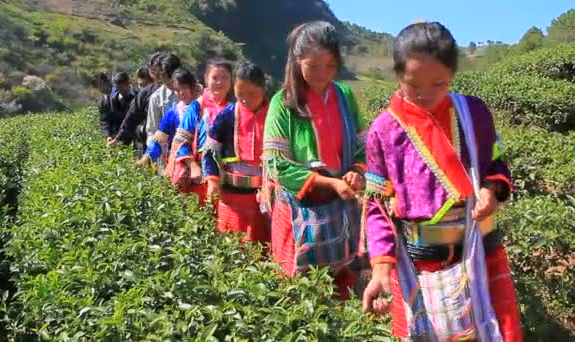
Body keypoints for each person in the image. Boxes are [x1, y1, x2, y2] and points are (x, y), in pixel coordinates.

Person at [361, 22, 522, 341]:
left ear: (453, 75)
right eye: (413, 84)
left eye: (439, 83)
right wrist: (380, 269)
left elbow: (496, 162)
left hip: (480, 253)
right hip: (422, 268)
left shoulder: (474, 113)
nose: (426, 95)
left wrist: (492, 189)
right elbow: (377, 207)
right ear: (397, 75)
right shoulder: (383, 130)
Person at [261, 21, 368, 300]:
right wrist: (329, 183)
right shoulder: (282, 104)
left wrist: (356, 171)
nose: (323, 75)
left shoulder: (344, 96)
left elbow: (361, 145)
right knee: (299, 295)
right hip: (300, 211)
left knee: (342, 290)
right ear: (297, 62)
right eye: (314, 66)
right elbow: (276, 164)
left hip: (340, 209)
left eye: (331, 66)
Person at [202, 61, 270, 244]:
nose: (246, 100)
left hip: (264, 194)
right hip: (231, 195)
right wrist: (212, 180)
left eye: (252, 94)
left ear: (263, 89)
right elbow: (209, 152)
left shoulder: (274, 116)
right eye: (240, 95)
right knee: (231, 245)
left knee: (260, 248)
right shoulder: (227, 115)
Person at [168, 57, 233, 205]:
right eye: (215, 77)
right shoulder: (197, 107)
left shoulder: (234, 110)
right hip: (197, 177)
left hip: (224, 181)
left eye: (224, 78)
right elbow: (182, 141)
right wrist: (193, 165)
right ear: (206, 79)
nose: (219, 82)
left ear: (231, 81)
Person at [135, 67, 199, 169]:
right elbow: (159, 140)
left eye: (185, 88)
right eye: (178, 90)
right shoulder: (173, 113)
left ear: (192, 87)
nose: (182, 93)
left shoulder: (204, 107)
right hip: (181, 166)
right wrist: (146, 158)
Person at [110, 52, 164, 155]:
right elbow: (131, 118)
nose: (143, 89)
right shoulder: (143, 95)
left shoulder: (172, 92)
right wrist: (118, 138)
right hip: (146, 142)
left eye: (145, 85)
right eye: (140, 86)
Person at [146, 54, 182, 146]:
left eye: (172, 77)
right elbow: (152, 130)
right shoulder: (157, 98)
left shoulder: (195, 92)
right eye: (166, 78)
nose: (170, 81)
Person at [92, 73, 114, 143]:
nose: (100, 88)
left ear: (107, 82)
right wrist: (107, 135)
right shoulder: (102, 101)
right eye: (97, 86)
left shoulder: (120, 94)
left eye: (100, 85)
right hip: (113, 137)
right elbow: (104, 120)